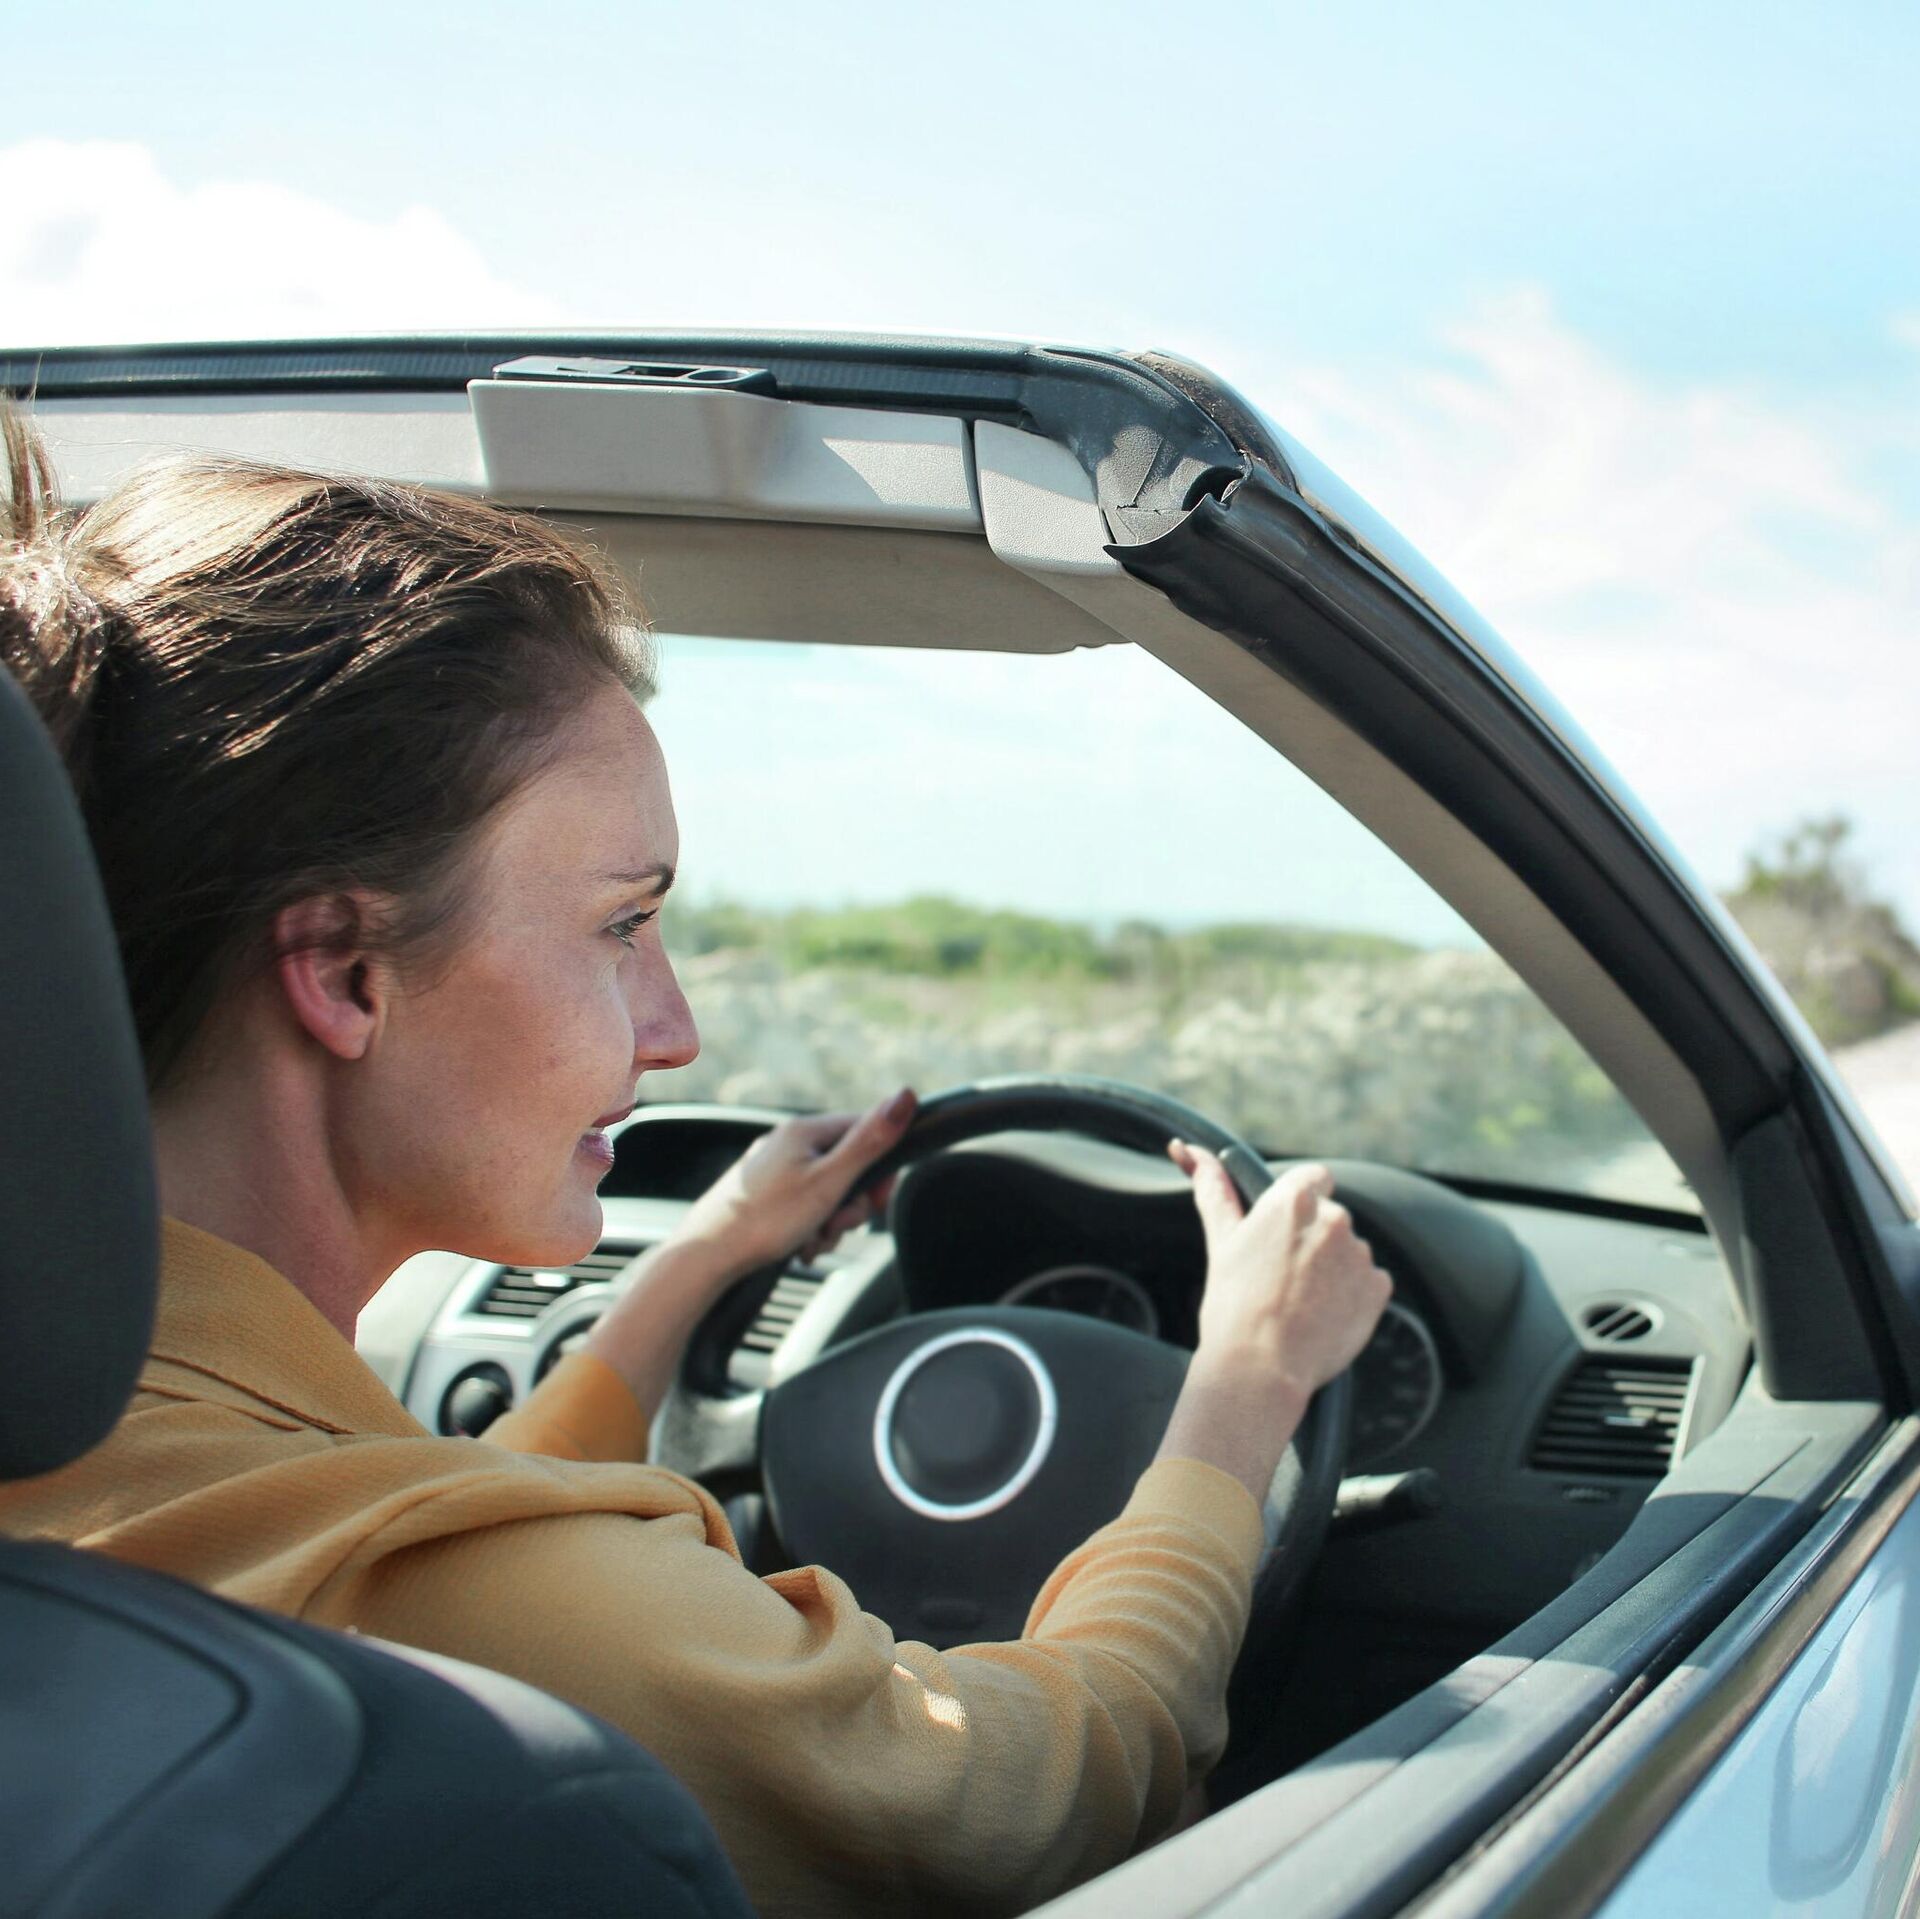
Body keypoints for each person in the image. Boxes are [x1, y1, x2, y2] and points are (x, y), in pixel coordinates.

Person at [0, 402, 1392, 1917]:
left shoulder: (128, 1462)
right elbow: (1032, 1803)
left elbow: (431, 1522)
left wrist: (699, 1265)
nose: (676, 1033)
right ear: (343, 972)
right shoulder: (512, 1609)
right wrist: (1245, 1386)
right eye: (622, 924)